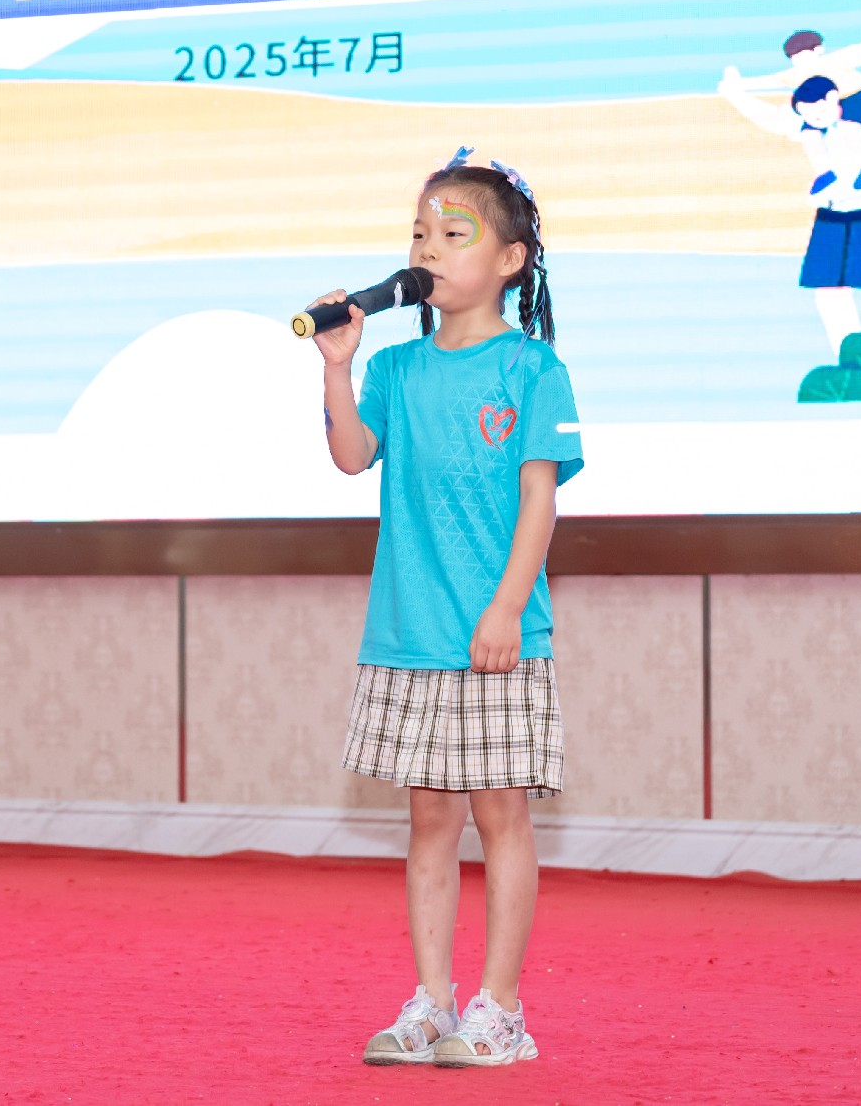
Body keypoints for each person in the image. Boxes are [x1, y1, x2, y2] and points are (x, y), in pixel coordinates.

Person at [308, 147, 583, 1069]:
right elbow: (352, 456)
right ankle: (431, 1001)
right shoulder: (396, 367)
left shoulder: (533, 369)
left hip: (496, 635)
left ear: (509, 260)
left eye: (454, 233)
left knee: (501, 814)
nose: (428, 248)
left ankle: (501, 1009)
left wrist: (505, 609)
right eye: (420, 233)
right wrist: (338, 367)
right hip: (409, 632)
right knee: (430, 820)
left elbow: (540, 501)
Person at [719, 27, 861, 362]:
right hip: (833, 215)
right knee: (829, 293)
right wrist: (736, 94)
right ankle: (851, 364)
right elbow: (770, 117)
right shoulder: (806, 115)